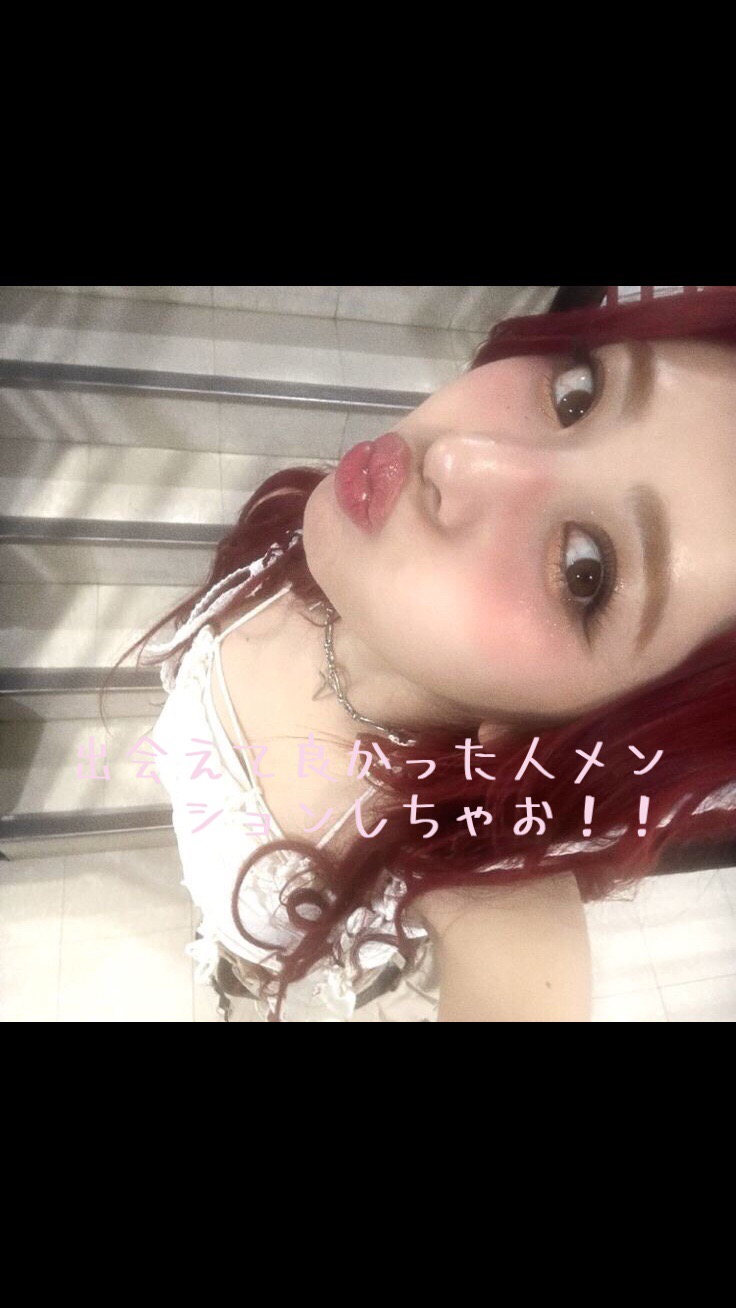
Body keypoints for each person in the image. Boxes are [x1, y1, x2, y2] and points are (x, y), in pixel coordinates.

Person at [108, 285, 736, 1022]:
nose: (463, 457)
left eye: (584, 571)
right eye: (578, 394)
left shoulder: (463, 859)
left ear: (610, 723)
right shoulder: (337, 561)